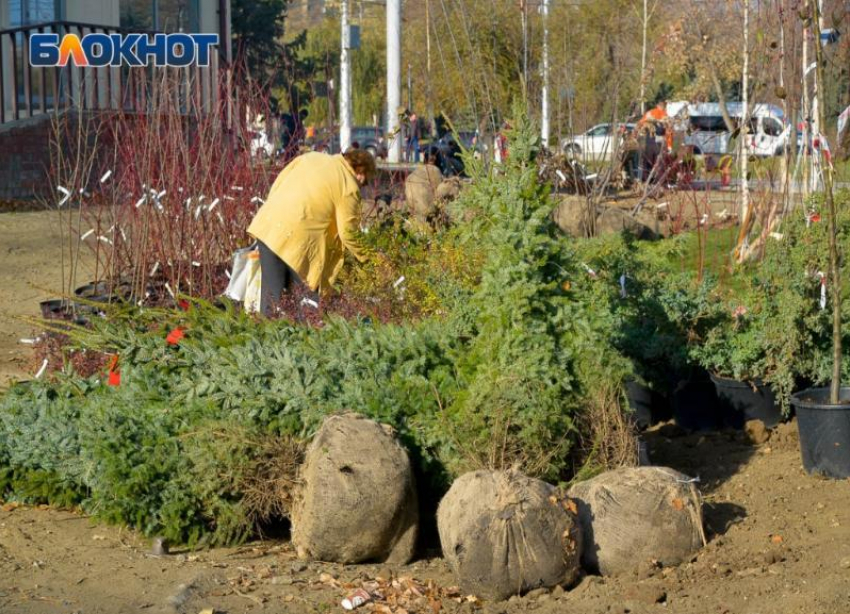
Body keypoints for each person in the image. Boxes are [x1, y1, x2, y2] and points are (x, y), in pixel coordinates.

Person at [247, 149, 377, 315]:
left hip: (269, 228)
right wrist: (373, 258)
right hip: (299, 245)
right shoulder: (348, 186)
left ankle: (267, 336)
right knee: (307, 306)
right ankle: (303, 337)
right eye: (365, 183)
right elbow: (349, 235)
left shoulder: (310, 157)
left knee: (273, 301)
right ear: (360, 172)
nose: (362, 186)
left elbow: (278, 185)